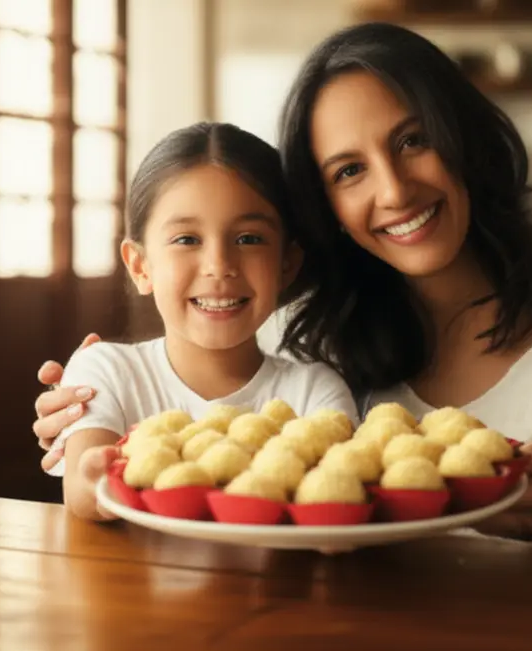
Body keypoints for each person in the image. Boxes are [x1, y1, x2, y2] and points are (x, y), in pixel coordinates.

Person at [34, 23, 532, 546]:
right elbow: (203, 384)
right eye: (348, 171)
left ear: (464, 136)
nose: (394, 190)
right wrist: (97, 396)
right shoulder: (298, 333)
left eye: (411, 140)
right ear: (325, 208)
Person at [48, 122, 358, 521]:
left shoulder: (314, 393)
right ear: (140, 266)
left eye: (248, 239)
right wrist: (93, 478)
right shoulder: (106, 370)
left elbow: (336, 504)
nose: (219, 267)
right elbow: (83, 490)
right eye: (187, 239)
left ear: (287, 265)